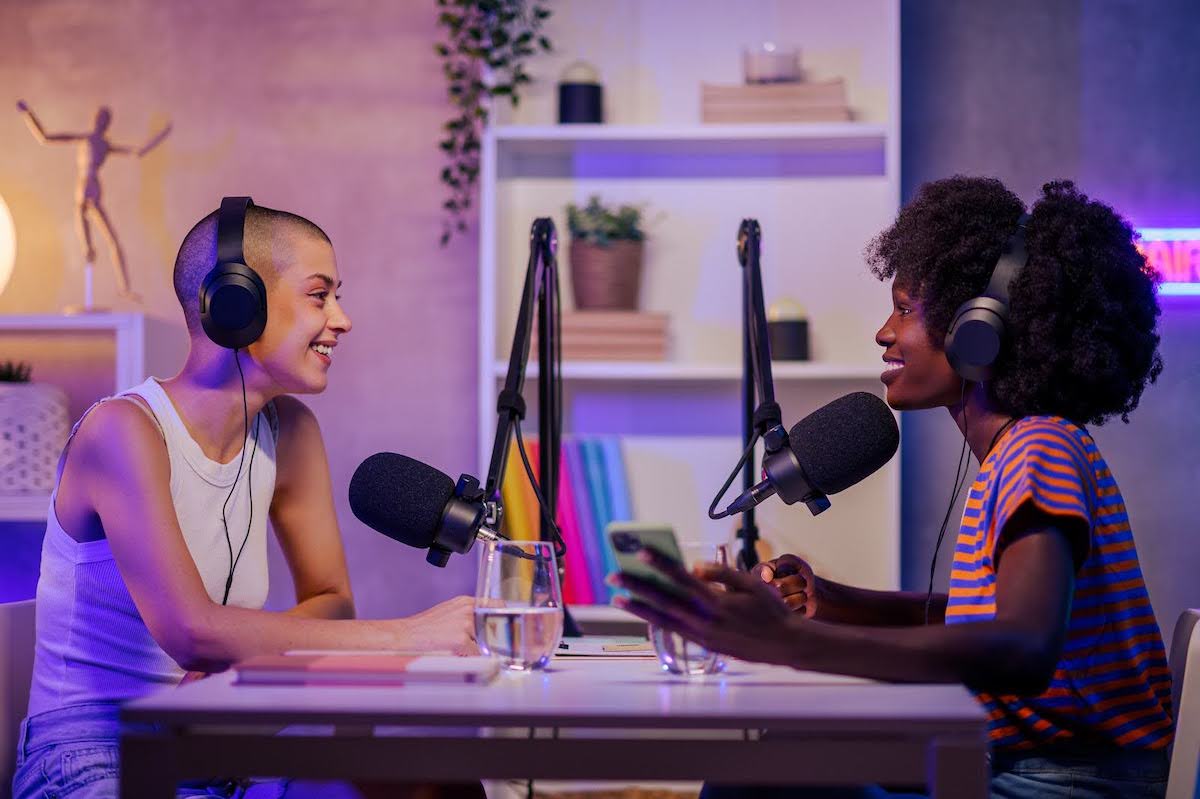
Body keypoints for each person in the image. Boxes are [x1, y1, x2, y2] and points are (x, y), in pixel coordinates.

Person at [612, 177, 1173, 798]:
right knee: (778, 765)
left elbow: (1022, 647)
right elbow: (977, 620)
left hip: (1066, 784)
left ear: (977, 330)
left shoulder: (1040, 449)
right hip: (1031, 768)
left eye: (905, 308)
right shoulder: (1021, 452)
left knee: (759, 781)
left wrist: (790, 641)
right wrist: (833, 600)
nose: (884, 332)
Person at [11, 201, 478, 799]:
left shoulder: (294, 433)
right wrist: (405, 636)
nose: (343, 319)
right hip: (96, 754)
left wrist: (242, 653)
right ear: (237, 303)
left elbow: (331, 601)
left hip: (220, 742)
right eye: (319, 295)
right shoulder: (122, 431)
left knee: (436, 786)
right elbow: (191, 632)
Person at [16, 100, 173, 303]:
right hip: (84, 187)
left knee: (112, 241)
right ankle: (87, 249)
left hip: (93, 189)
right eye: (98, 118)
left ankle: (123, 288)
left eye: (103, 119)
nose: (99, 122)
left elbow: (138, 152)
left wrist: (162, 135)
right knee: (87, 236)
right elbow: (45, 138)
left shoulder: (104, 145)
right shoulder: (85, 139)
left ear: (106, 123)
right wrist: (28, 114)